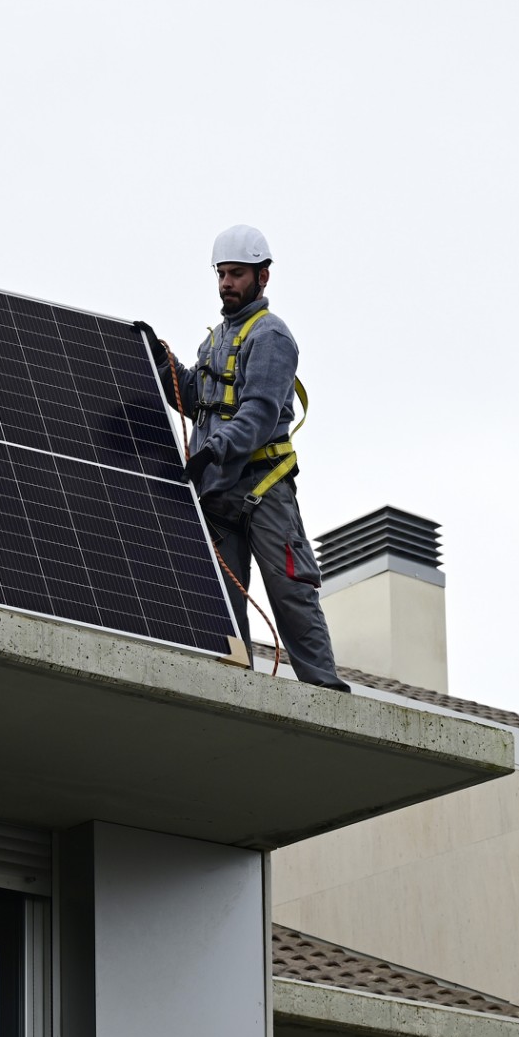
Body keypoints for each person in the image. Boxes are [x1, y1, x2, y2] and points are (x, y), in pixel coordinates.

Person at [133, 225, 350, 691]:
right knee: (219, 594)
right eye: (222, 274)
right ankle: (233, 682)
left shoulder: (271, 336)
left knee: (289, 591)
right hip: (217, 490)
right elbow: (194, 397)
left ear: (262, 277)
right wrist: (159, 357)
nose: (226, 283)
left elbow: (258, 414)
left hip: (262, 486)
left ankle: (325, 692)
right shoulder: (213, 341)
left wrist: (211, 451)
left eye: (236, 274)